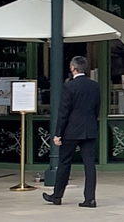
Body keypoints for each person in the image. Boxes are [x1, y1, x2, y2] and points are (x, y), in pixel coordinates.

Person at [44, 56, 100, 208]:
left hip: (71, 130)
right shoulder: (94, 86)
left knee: (64, 163)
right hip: (89, 129)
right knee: (89, 164)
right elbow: (97, 109)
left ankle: (57, 195)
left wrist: (58, 133)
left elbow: (64, 112)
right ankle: (90, 198)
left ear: (72, 68)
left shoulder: (69, 86)